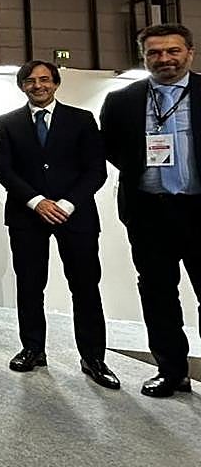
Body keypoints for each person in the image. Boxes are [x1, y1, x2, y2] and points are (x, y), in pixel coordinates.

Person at [0, 60, 119, 389]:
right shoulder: (8, 122)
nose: (38, 86)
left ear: (56, 83)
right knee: (30, 286)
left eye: (45, 79)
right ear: (22, 86)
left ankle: (93, 357)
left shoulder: (82, 119)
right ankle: (33, 349)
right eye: (30, 81)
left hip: (74, 215)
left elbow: (96, 170)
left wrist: (65, 204)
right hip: (27, 215)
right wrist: (36, 201)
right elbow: (3, 169)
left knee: (85, 286)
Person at [100, 23, 201, 398]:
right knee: (158, 296)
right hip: (149, 214)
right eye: (155, 53)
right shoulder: (121, 101)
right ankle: (172, 371)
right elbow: (113, 150)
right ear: (143, 57)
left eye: (173, 51)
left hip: (199, 211)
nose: (164, 59)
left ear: (189, 53)